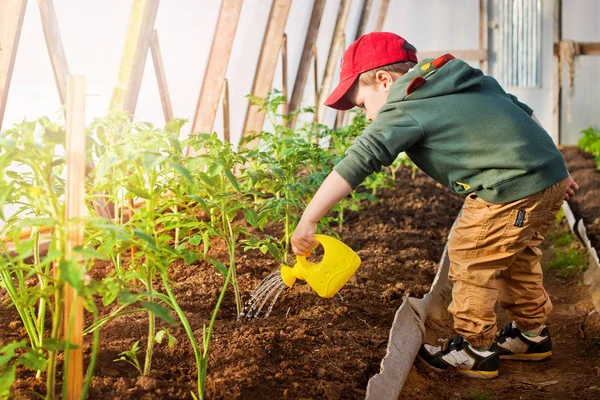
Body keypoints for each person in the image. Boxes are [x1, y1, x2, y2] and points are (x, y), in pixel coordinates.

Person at [290, 32, 579, 379]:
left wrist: (309, 219)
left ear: (384, 81)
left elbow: (359, 160)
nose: (367, 117)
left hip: (507, 187)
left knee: (472, 257)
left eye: (362, 104)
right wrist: (559, 166)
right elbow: (521, 112)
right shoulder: (456, 78)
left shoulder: (405, 105)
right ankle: (531, 336)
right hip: (546, 178)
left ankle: (475, 349)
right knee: (517, 257)